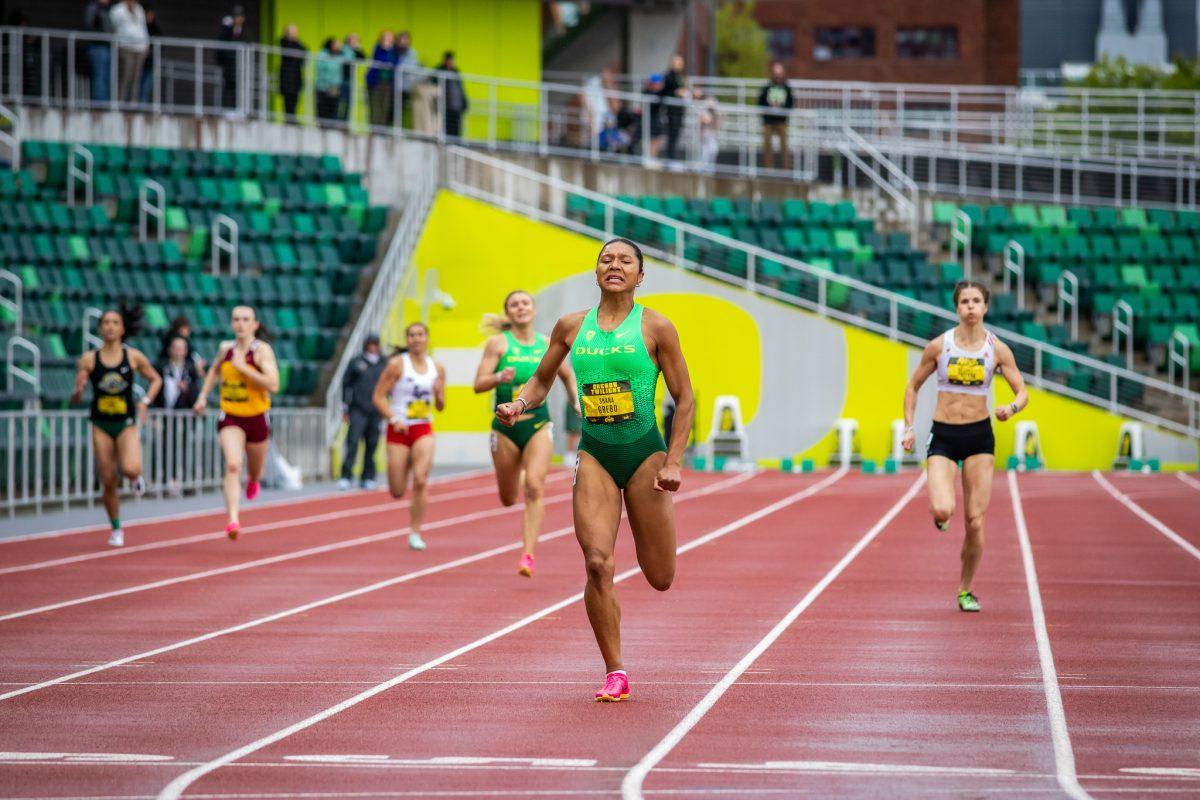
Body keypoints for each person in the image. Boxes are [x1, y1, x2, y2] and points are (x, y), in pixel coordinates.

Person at [496, 238, 694, 702]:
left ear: (640, 276)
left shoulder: (657, 327)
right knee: (597, 562)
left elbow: (684, 398)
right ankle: (615, 670)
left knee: (660, 576)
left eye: (625, 261)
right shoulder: (570, 327)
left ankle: (650, 547)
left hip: (646, 454)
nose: (614, 265)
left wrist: (674, 461)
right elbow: (543, 378)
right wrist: (520, 403)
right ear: (596, 271)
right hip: (597, 454)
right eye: (607, 259)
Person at [901, 280, 1029, 613]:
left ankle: (965, 589)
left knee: (975, 521)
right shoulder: (940, 346)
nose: (970, 307)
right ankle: (940, 517)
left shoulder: (997, 350)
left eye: (976, 301)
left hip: (979, 438)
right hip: (943, 435)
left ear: (985, 307)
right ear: (957, 308)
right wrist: (909, 427)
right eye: (964, 302)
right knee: (943, 509)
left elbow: (1022, 392)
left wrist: (1010, 409)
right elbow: (913, 387)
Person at [473, 291, 578, 578]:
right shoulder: (497, 344)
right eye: (514, 305)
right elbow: (478, 384)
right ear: (508, 313)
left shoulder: (546, 343)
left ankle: (528, 554)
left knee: (534, 486)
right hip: (505, 429)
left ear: (533, 309)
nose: (520, 308)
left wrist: (577, 404)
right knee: (508, 497)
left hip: (537, 424)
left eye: (525, 303)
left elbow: (567, 376)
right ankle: (515, 473)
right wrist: (498, 378)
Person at [70, 305, 162, 547]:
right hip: (100, 422)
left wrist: (144, 402)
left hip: (125, 422)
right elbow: (75, 399)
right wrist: (77, 391)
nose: (110, 327)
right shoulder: (89, 359)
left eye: (115, 323)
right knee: (108, 478)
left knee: (131, 468)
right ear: (100, 328)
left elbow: (156, 379)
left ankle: (134, 477)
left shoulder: (132, 357)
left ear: (122, 329)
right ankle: (116, 528)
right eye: (106, 323)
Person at [193, 306, 280, 540]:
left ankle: (253, 480)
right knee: (232, 465)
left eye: (246, 320)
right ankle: (233, 519)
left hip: (257, 417)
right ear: (231, 324)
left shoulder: (262, 351)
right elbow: (213, 371)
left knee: (254, 470)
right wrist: (203, 396)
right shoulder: (225, 349)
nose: (241, 324)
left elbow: (273, 384)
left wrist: (245, 369)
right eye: (236, 320)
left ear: (255, 325)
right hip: (230, 415)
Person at [372, 323, 446, 551]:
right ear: (407, 339)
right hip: (399, 428)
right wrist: (393, 419)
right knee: (397, 490)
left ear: (427, 338)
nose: (416, 339)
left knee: (421, 480)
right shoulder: (397, 364)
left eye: (420, 335)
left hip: (423, 427)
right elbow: (378, 397)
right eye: (412, 335)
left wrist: (439, 392)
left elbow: (441, 406)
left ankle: (415, 532)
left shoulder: (437, 368)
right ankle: (401, 469)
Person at [153, 333, 202, 496]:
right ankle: (164, 481)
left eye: (182, 348)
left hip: (184, 416)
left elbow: (197, 391)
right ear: (169, 350)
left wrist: (187, 390)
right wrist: (153, 414)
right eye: (176, 348)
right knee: (164, 448)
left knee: (183, 448)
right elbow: (154, 390)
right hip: (165, 415)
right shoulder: (161, 367)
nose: (179, 351)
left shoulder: (190, 368)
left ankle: (185, 481)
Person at [339, 333, 387, 490]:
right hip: (358, 409)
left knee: (372, 444)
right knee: (352, 442)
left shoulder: (384, 363)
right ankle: (346, 476)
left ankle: (368, 477)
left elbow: (390, 386)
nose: (372, 346)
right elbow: (346, 385)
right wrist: (345, 407)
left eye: (375, 343)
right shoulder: (356, 362)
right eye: (370, 343)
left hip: (376, 410)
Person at [109, 0, 148, 104]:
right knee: (126, 73)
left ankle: (133, 102)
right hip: (125, 46)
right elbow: (114, 26)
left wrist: (146, 44)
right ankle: (120, 100)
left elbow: (143, 28)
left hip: (140, 47)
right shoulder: (118, 10)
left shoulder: (139, 9)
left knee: (137, 76)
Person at [758, 61, 794, 170]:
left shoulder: (786, 87)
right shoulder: (767, 87)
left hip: (781, 122)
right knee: (767, 146)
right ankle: (768, 169)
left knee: (784, 147)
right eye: (775, 72)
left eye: (779, 72)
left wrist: (782, 109)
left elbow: (790, 103)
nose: (777, 74)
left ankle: (786, 169)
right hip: (768, 121)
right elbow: (760, 101)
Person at [365, 30, 399, 127]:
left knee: (385, 106)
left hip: (387, 82)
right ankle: (374, 128)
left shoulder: (394, 51)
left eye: (390, 38)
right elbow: (380, 59)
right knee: (375, 106)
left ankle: (382, 128)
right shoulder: (377, 48)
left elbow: (395, 63)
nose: (388, 40)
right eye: (386, 38)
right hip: (375, 81)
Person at [217, 5, 247, 110]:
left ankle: (235, 109)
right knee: (227, 87)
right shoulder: (227, 28)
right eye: (236, 17)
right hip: (228, 64)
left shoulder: (242, 30)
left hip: (238, 65)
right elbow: (221, 42)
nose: (238, 19)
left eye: (240, 17)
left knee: (237, 88)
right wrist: (228, 26)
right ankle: (225, 109)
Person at [84, 0, 114, 103]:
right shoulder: (94, 8)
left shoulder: (111, 9)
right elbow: (89, 25)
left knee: (108, 77)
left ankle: (106, 102)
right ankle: (100, 104)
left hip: (109, 47)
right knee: (99, 77)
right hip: (98, 46)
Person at [660, 54, 688, 160]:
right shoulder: (669, 76)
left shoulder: (680, 76)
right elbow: (668, 91)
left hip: (679, 111)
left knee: (676, 136)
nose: (680, 65)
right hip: (672, 112)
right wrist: (679, 92)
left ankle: (672, 157)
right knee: (672, 136)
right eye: (678, 63)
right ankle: (670, 158)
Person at [278, 23, 307, 120]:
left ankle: (293, 119)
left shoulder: (298, 44)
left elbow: (304, 50)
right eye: (291, 32)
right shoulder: (283, 43)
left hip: (296, 78)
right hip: (286, 78)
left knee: (295, 99)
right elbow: (289, 52)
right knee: (287, 101)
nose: (294, 34)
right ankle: (288, 119)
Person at [437, 51, 468, 138]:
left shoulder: (456, 72)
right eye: (449, 60)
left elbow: (460, 89)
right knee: (446, 128)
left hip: (457, 107)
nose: (451, 62)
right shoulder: (439, 71)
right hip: (447, 106)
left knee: (456, 130)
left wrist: (464, 102)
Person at [314, 37, 344, 124]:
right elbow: (325, 70)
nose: (338, 47)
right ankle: (322, 126)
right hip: (322, 87)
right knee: (322, 109)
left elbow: (351, 57)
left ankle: (331, 126)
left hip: (334, 87)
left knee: (333, 109)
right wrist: (328, 85)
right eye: (336, 45)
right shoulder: (322, 55)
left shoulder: (340, 55)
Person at [137, 6, 161, 104]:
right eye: (147, 14)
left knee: (146, 87)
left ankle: (142, 106)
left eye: (151, 14)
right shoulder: (139, 27)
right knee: (136, 85)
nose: (149, 17)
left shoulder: (156, 29)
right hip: (139, 62)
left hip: (150, 63)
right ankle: (133, 106)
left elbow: (160, 47)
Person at [338, 32, 365, 121]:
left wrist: (356, 48)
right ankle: (338, 121)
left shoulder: (354, 51)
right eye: (353, 39)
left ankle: (345, 122)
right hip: (340, 79)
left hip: (350, 80)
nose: (355, 41)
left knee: (348, 102)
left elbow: (362, 57)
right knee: (340, 102)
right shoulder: (342, 50)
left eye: (356, 40)